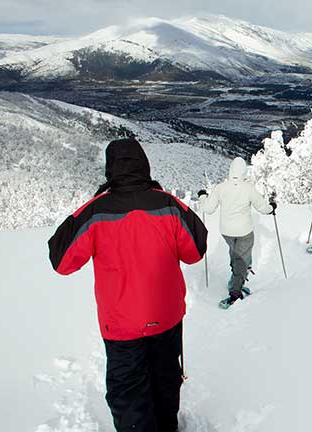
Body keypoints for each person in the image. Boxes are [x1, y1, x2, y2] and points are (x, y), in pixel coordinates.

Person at [48, 138, 208, 432]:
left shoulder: (97, 211)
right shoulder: (168, 205)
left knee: (129, 395)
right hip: (167, 318)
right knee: (165, 381)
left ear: (110, 169)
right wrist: (161, 196)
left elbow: (61, 259)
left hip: (121, 326)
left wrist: (95, 201)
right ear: (144, 165)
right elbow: (196, 249)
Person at [198, 157, 275, 309]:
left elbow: (207, 209)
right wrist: (272, 207)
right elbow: (263, 208)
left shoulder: (221, 188)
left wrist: (202, 196)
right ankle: (235, 292)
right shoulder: (248, 188)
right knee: (242, 259)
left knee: (235, 254)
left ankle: (236, 279)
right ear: (243, 171)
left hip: (226, 231)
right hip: (244, 231)